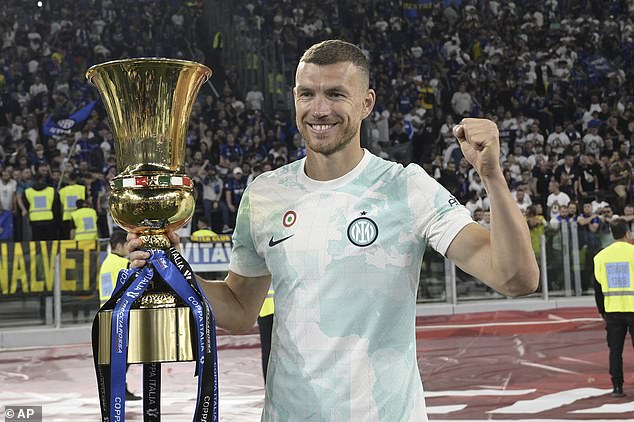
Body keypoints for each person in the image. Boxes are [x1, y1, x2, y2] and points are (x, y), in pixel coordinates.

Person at [128, 40, 539, 421]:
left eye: (336, 94)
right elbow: (238, 310)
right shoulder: (265, 194)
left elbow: (516, 278)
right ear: (295, 98)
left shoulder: (407, 187)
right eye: (307, 94)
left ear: (366, 103)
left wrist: (492, 177)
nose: (319, 109)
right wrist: (171, 270)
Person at [98, 229, 142, 401]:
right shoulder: (122, 263)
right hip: (120, 314)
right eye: (127, 245)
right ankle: (118, 389)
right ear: (119, 246)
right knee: (125, 354)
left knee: (118, 355)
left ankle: (117, 388)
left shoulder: (106, 263)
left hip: (107, 314)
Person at [593, 218, 634, 398]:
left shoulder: (600, 257)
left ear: (612, 234)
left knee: (615, 351)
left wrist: (602, 310)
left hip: (612, 310)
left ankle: (617, 386)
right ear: (627, 233)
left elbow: (598, 288)